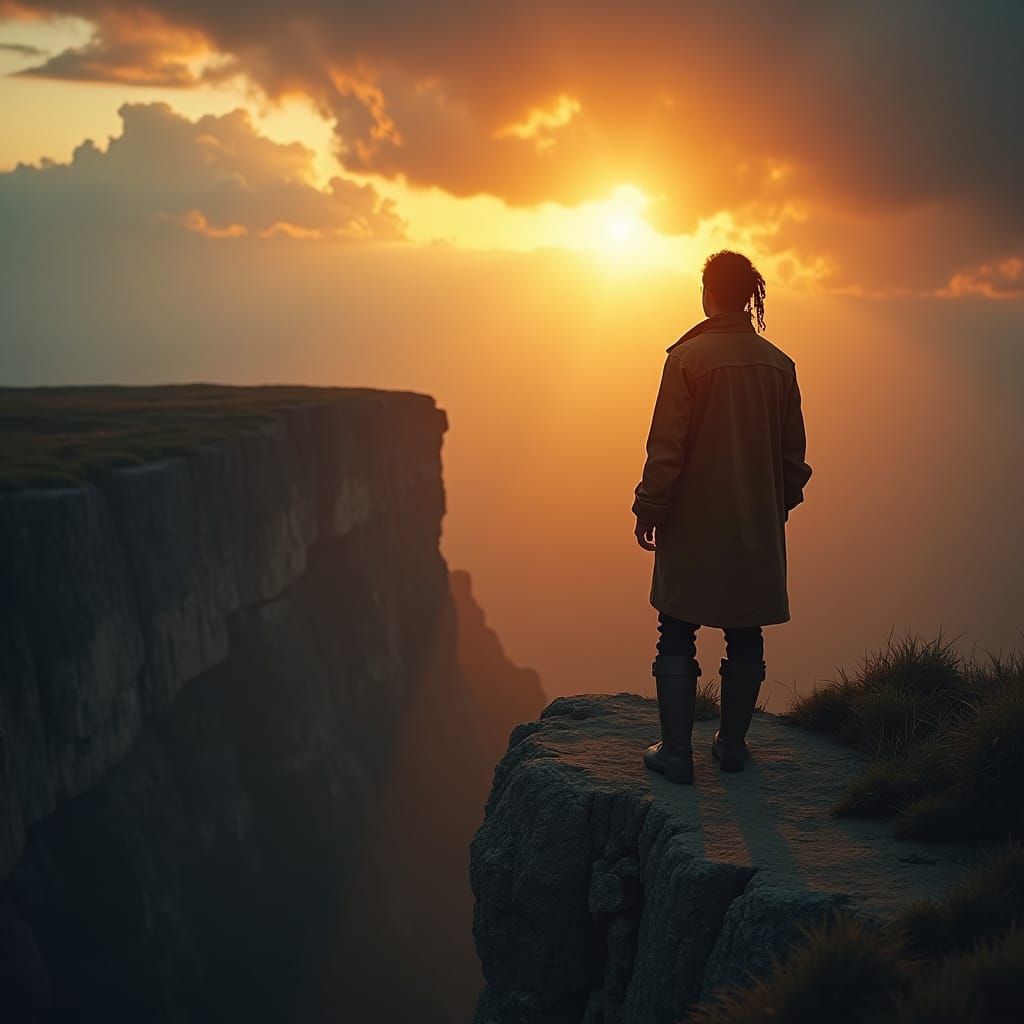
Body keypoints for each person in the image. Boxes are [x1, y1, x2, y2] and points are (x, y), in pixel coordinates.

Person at [632, 250, 812, 785]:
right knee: (745, 631)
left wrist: (650, 507)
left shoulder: (686, 361)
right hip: (755, 526)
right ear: (748, 295)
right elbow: (793, 462)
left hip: (691, 524)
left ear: (708, 294)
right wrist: (769, 508)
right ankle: (732, 747)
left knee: (676, 630)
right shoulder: (779, 365)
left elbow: (667, 449)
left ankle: (676, 753)